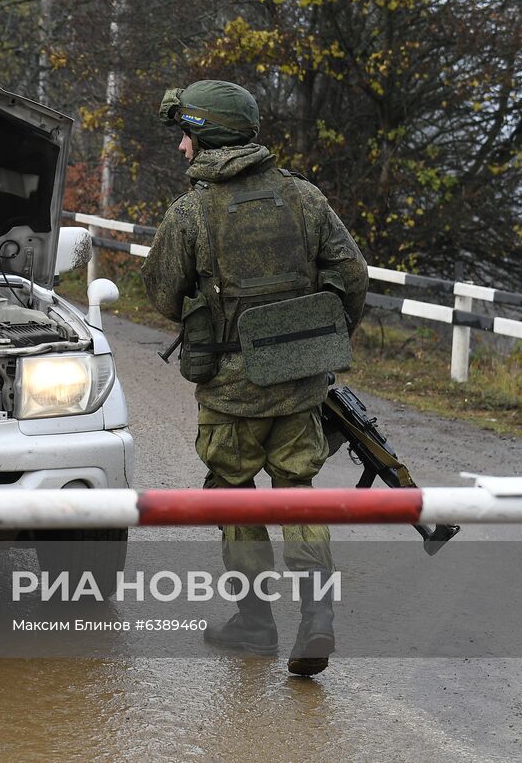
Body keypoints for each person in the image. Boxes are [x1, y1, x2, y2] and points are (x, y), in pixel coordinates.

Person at [141, 79, 368, 677]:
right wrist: (321, 333)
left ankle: (256, 622)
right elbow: (352, 274)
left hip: (231, 393)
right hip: (299, 382)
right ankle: (317, 618)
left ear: (207, 135)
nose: (182, 149)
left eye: (187, 136)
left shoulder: (191, 211)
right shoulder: (305, 198)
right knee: (299, 492)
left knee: (234, 495)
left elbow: (162, 295)